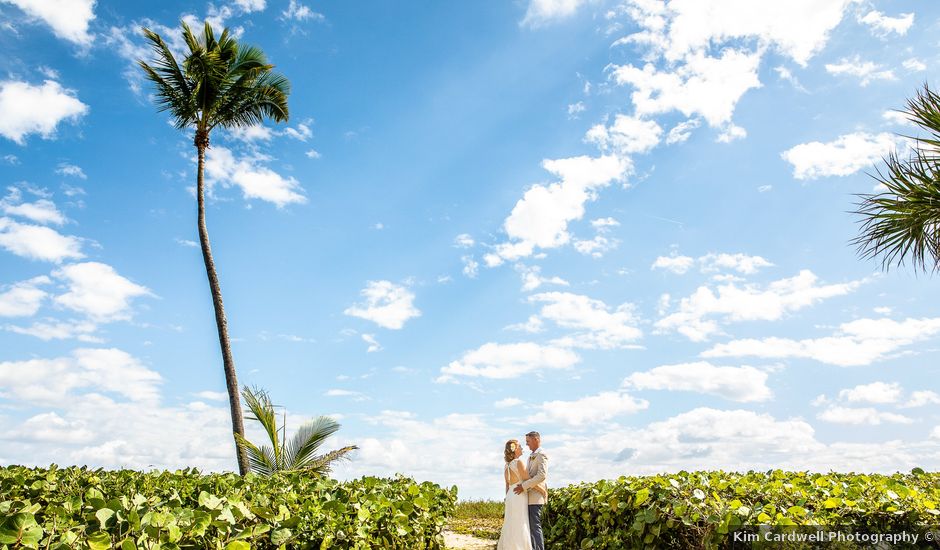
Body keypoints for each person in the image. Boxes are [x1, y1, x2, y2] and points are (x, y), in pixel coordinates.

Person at [496, 439, 543, 550]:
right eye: (520, 446)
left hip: (510, 496)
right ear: (515, 450)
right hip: (519, 495)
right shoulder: (518, 462)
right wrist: (542, 490)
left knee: (511, 523)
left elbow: (507, 486)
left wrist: (507, 498)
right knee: (520, 523)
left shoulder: (506, 465)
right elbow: (527, 480)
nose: (522, 448)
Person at [513, 431, 547, 550]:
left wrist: (523, 486)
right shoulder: (530, 456)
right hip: (528, 496)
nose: (526, 444)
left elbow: (541, 476)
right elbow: (527, 475)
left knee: (535, 526)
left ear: (536, 440)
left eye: (528, 441)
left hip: (536, 497)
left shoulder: (541, 454)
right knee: (530, 527)